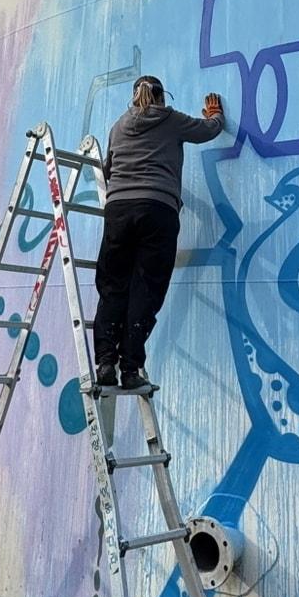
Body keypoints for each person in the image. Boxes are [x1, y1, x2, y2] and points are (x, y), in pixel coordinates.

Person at [94, 75, 225, 389]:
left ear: (134, 96)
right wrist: (216, 116)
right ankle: (130, 369)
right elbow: (207, 131)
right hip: (157, 210)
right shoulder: (171, 120)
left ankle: (105, 363)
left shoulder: (118, 126)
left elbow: (108, 169)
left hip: (119, 210)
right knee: (146, 288)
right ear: (162, 97)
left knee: (113, 286)